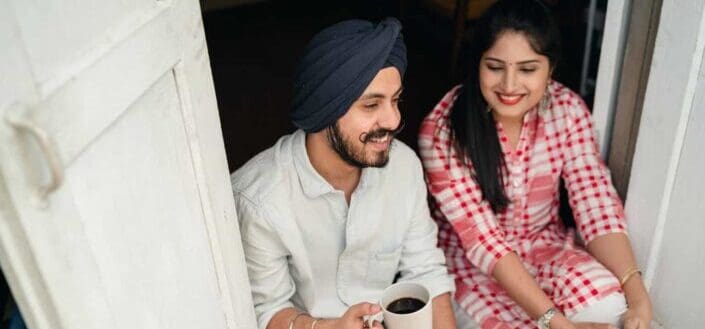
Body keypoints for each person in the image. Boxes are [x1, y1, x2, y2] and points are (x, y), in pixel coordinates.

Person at [418, 1, 653, 328]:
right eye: (495, 67)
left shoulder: (567, 109)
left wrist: (638, 295)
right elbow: (484, 242)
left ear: (550, 68)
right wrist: (556, 322)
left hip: (546, 248)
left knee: (611, 306)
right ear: (478, 64)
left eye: (528, 69)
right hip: (471, 269)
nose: (510, 85)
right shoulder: (443, 130)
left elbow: (594, 202)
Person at [232, 18, 456, 329]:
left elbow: (426, 271)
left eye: (395, 100)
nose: (393, 120)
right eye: (371, 105)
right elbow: (267, 310)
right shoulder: (259, 199)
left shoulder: (403, 166)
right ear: (325, 109)